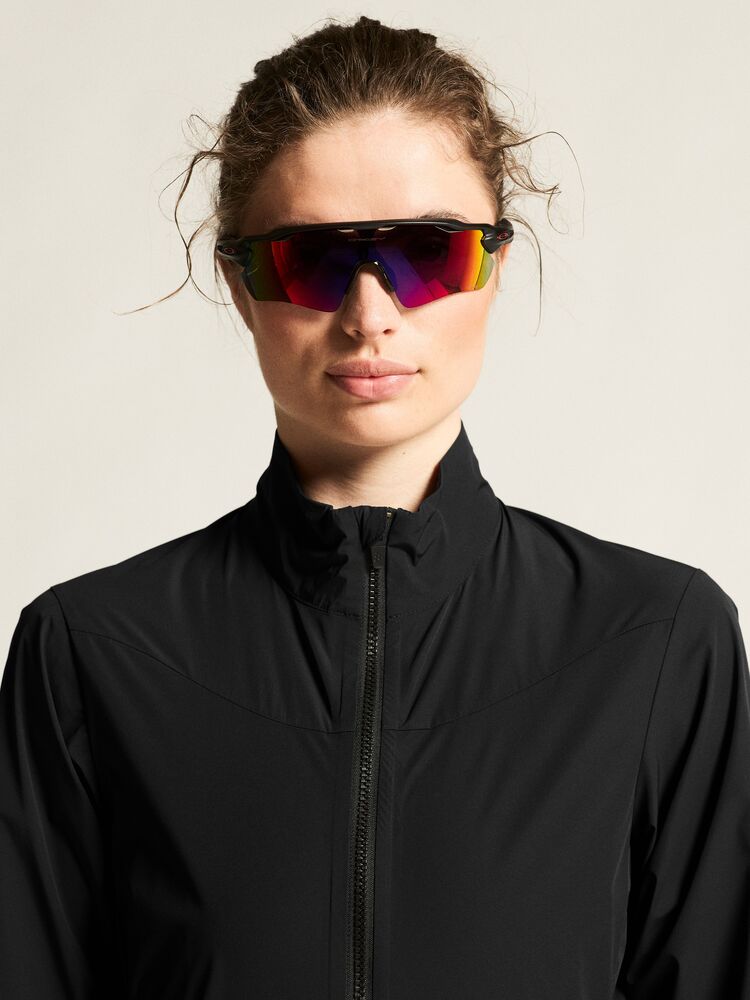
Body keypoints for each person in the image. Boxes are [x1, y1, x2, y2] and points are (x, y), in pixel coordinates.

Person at [1, 15, 748, 1000]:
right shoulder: (89, 655)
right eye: (310, 261)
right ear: (241, 285)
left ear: (495, 265)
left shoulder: (659, 645)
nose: (370, 314)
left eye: (429, 253)